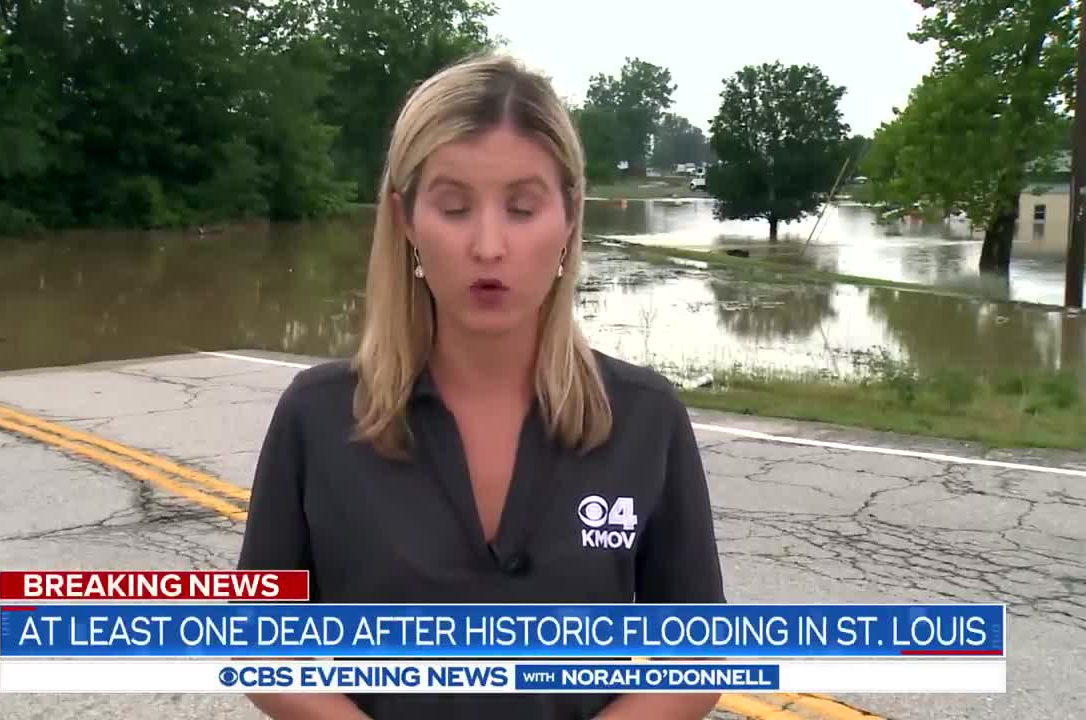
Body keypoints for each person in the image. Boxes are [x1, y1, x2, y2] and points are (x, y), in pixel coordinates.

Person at [237, 52, 726, 720]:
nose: (489, 246)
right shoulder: (316, 416)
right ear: (406, 220)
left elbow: (697, 656)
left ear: (570, 217)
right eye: (455, 207)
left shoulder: (646, 418)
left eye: (523, 209)